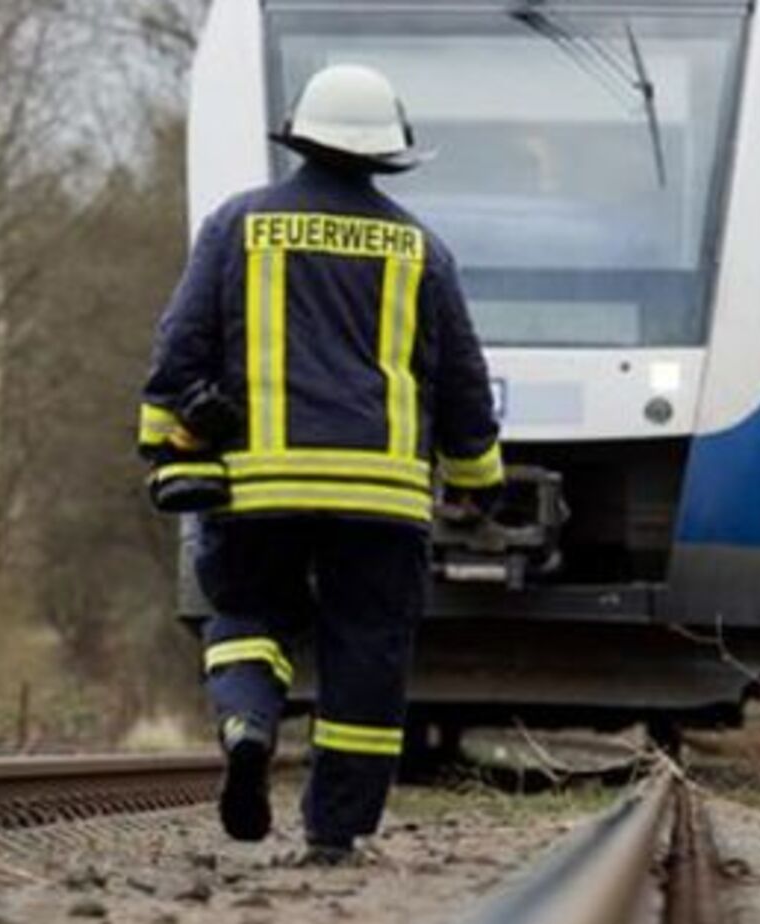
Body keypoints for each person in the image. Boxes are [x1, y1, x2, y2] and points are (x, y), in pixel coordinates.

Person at [138, 64, 503, 862]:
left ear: (300, 137)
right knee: (367, 652)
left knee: (246, 614)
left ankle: (247, 724)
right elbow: (462, 381)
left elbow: (180, 345)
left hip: (259, 487)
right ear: (388, 152)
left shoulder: (236, 225)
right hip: (383, 498)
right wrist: (479, 482)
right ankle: (335, 834)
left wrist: (166, 439)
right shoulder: (422, 249)